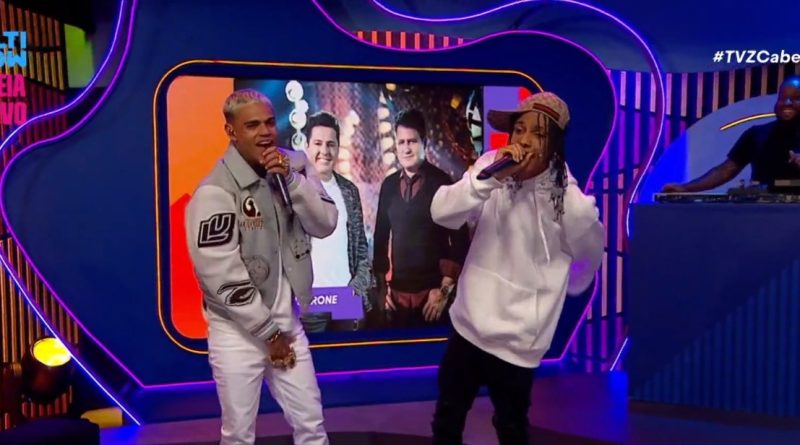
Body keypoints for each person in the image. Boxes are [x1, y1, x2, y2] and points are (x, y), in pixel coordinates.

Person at [428, 92, 605, 444]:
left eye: (538, 134)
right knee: (447, 418)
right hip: (468, 326)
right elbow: (441, 212)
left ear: (554, 145)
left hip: (518, 343)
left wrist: (544, 298)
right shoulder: (491, 166)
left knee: (511, 427)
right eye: (519, 129)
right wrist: (490, 178)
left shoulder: (570, 203)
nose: (524, 140)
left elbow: (588, 259)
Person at [185, 89, 336, 445]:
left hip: (288, 327)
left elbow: (325, 223)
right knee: (239, 435)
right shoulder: (214, 191)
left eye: (269, 122)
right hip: (237, 335)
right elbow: (220, 275)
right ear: (231, 132)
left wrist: (293, 183)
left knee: (312, 427)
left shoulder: (296, 166)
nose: (265, 132)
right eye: (252, 125)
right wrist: (269, 334)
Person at [373, 109, 470, 328]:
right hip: (396, 298)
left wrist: (444, 292)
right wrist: (382, 290)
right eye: (401, 142)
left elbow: (461, 241)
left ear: (424, 142)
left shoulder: (442, 182)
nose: (406, 148)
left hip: (432, 298)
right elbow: (380, 240)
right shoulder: (388, 186)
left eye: (412, 141)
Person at [300, 111, 374, 333]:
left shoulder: (349, 191)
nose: (325, 151)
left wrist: (356, 290)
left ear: (338, 147)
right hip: (309, 301)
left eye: (331, 144)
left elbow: (361, 248)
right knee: (314, 355)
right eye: (318, 143)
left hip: (346, 296)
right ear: (307, 146)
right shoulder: (294, 189)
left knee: (349, 354)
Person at [663, 75, 800, 193]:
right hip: (764, 210)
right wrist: (686, 188)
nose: (787, 103)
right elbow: (725, 171)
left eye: (796, 98)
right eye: (782, 98)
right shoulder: (757, 134)